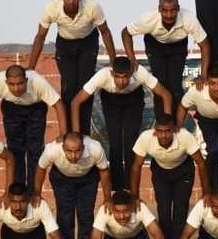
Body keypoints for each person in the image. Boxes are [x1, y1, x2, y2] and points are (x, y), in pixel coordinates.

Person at [27, 0, 116, 135]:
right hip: (65, 46)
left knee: (85, 87)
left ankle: (83, 134)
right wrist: (31, 68)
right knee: (68, 87)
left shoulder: (92, 7)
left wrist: (114, 62)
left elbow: (106, 32)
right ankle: (68, 135)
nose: (71, 1)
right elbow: (40, 37)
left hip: (88, 44)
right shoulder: (51, 8)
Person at [71, 56, 172, 190]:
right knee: (115, 143)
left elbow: (166, 95)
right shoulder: (102, 76)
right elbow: (75, 102)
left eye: (125, 77)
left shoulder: (139, 72)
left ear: (131, 73)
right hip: (111, 101)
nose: (122, 81)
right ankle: (117, 189)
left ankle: (130, 188)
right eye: (118, 76)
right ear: (112, 73)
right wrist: (76, 135)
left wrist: (168, 125)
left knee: (131, 142)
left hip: (133, 100)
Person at [0, 64, 67, 189]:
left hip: (35, 109)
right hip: (11, 109)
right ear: (6, 82)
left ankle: (33, 192)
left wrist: (63, 133)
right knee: (15, 150)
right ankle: (18, 192)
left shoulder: (38, 82)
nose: (16, 88)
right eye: (12, 84)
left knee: (35, 151)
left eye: (20, 83)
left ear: (26, 80)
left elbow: (58, 104)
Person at [130, 114, 210, 239]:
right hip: (161, 173)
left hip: (183, 171)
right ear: (155, 131)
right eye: (160, 131)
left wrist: (206, 193)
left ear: (174, 129)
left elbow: (201, 164)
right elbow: (136, 167)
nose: (163, 135)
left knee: (180, 214)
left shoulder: (184, 136)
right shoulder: (146, 138)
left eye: (167, 131)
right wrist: (134, 197)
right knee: (164, 212)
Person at [122, 0, 210, 114]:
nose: (169, 15)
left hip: (178, 46)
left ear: (178, 9)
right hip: (155, 45)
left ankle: (177, 126)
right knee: (160, 84)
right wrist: (131, 58)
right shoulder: (148, 19)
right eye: (165, 10)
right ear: (159, 9)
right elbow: (125, 33)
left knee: (176, 86)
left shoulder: (188, 19)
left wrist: (203, 75)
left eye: (173, 10)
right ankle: (162, 125)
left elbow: (205, 46)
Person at [33, 132, 112, 239]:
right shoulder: (52, 150)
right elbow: (41, 168)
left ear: (83, 147)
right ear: (63, 148)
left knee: (86, 220)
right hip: (62, 179)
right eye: (69, 151)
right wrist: (36, 193)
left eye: (77, 151)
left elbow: (104, 171)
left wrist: (107, 199)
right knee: (65, 221)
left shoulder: (95, 148)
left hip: (87, 179)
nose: (73, 156)